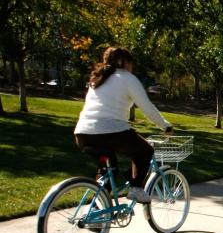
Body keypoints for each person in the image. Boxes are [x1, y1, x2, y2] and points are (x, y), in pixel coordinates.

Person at [74, 47, 172, 203]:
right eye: (131, 63)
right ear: (124, 62)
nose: (132, 67)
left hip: (83, 134)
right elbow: (147, 107)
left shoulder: (97, 79)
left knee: (107, 172)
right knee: (145, 151)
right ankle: (136, 188)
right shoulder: (128, 78)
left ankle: (98, 215)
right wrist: (165, 126)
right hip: (111, 133)